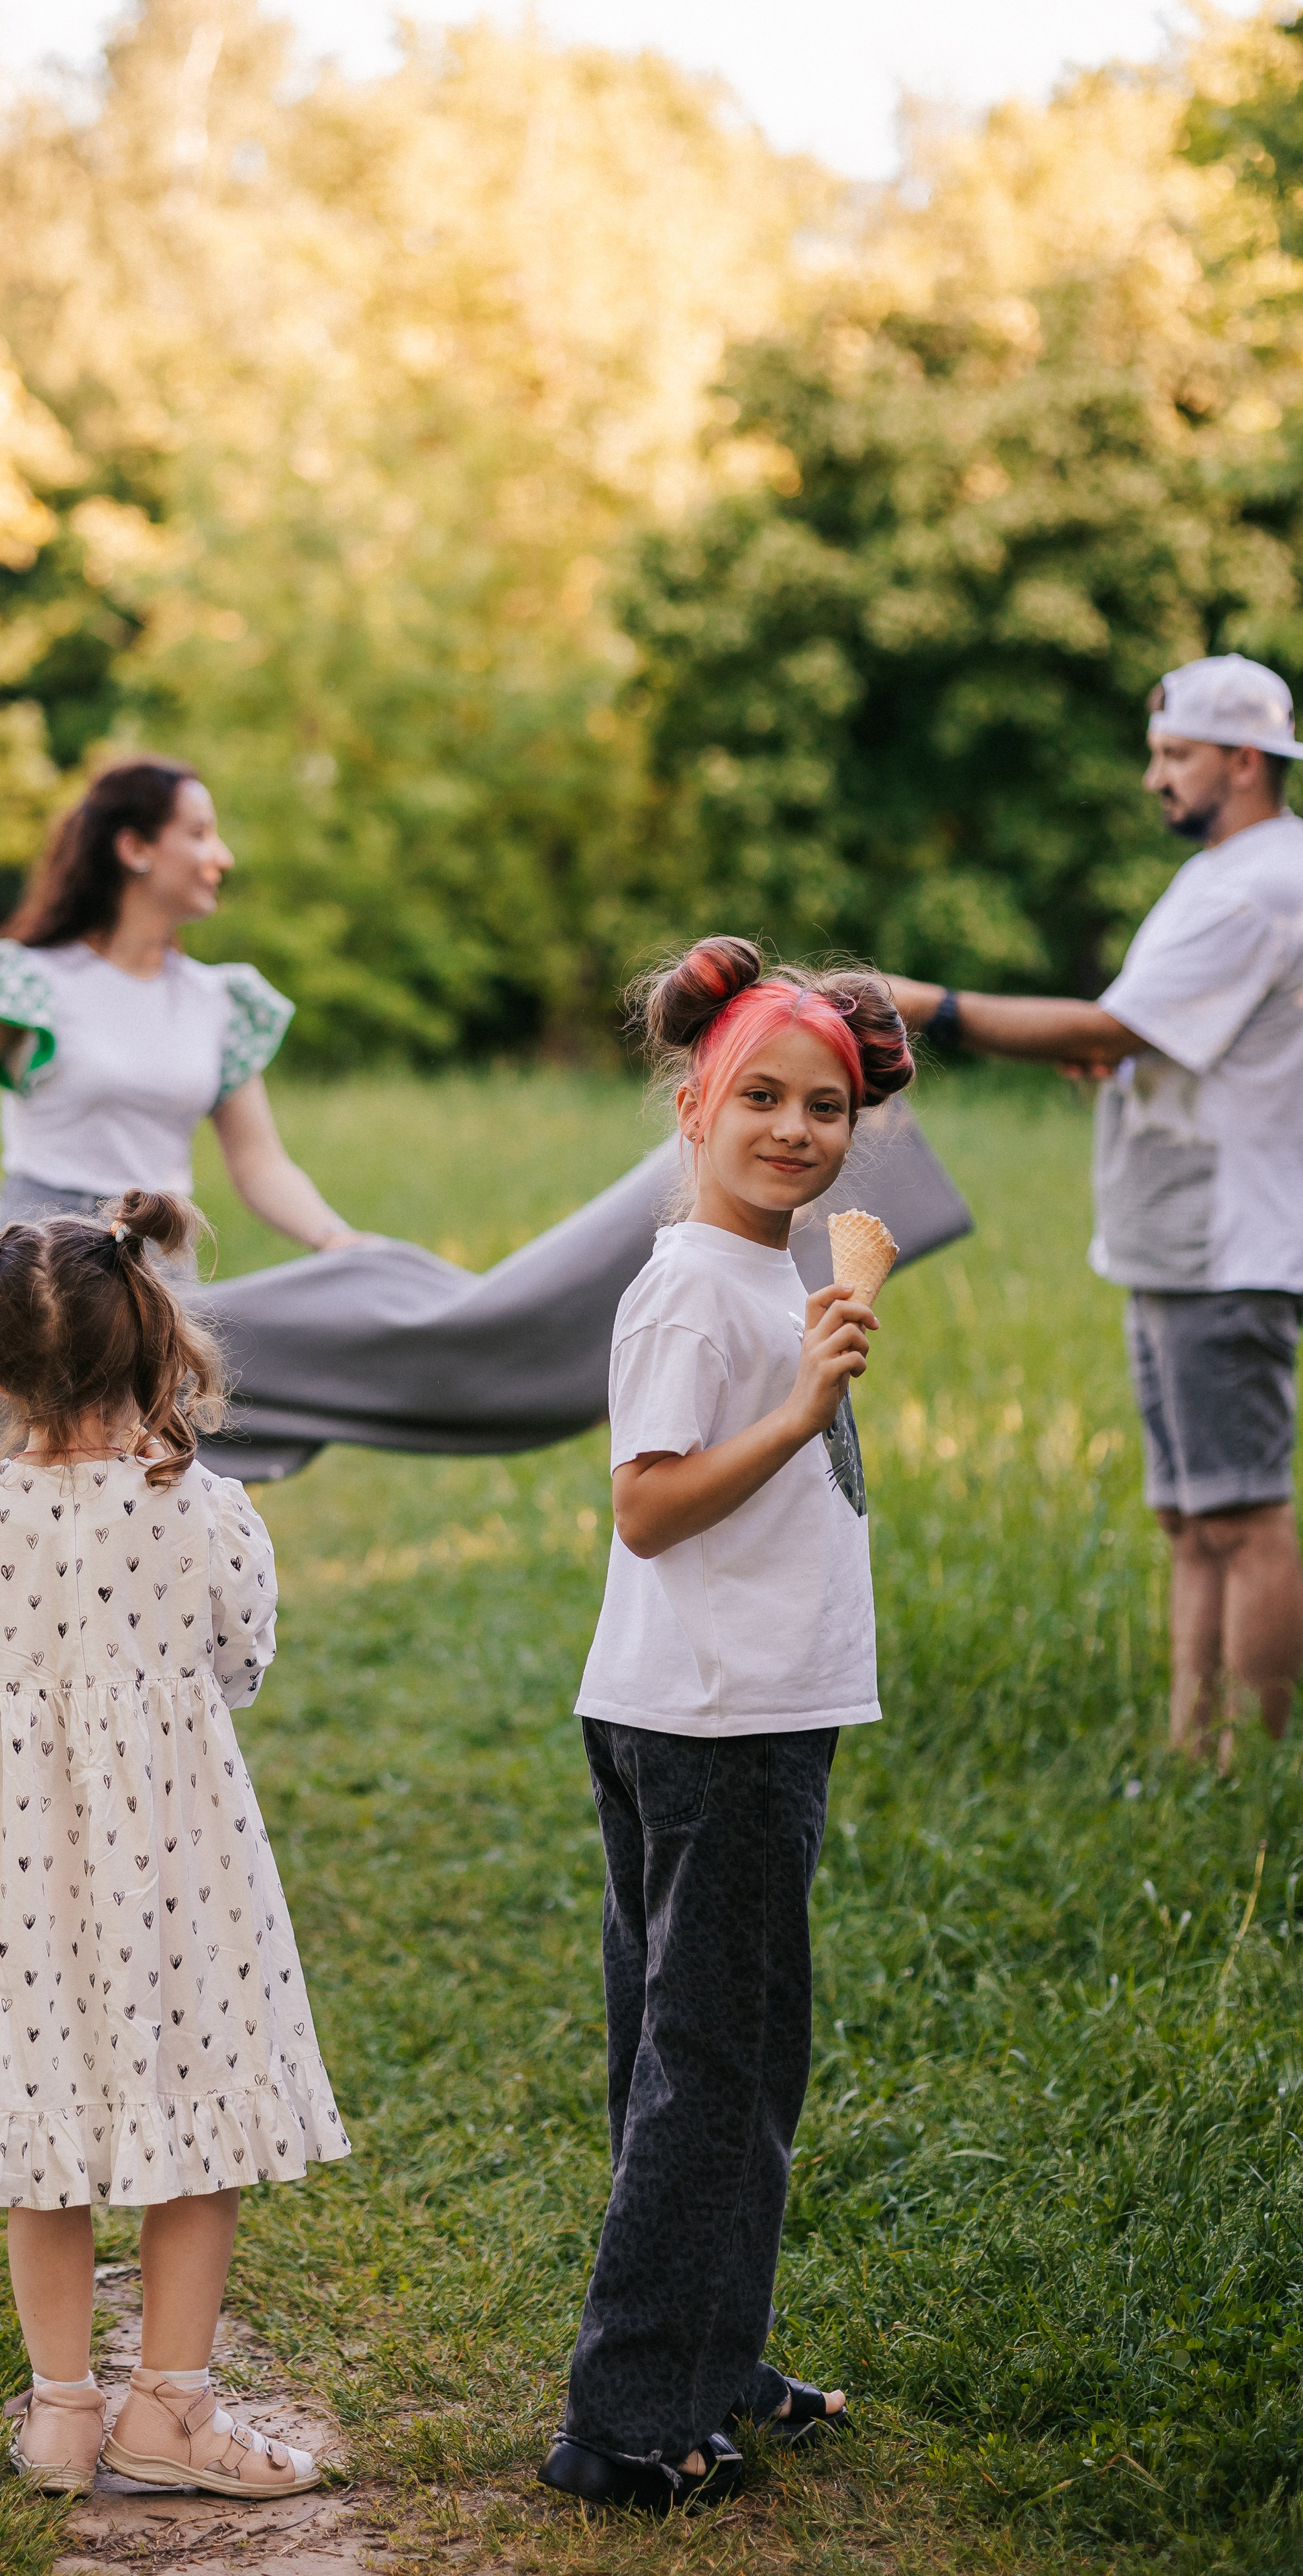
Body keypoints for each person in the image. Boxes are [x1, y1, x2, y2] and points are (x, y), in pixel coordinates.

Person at [0, 1188, 349, 2498]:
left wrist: (6, 1741)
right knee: (202, 2133)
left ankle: (66, 2416)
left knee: (40, 2135)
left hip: (11, 1880)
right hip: (189, 1873)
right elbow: (238, 1666)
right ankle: (169, 2411)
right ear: (154, 1340)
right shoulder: (209, 1515)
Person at [539, 937, 914, 2518]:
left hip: (704, 1706)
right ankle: (627, 2420)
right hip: (719, 1725)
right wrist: (797, 1394)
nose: (792, 1128)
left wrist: (811, 1334)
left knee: (697, 2056)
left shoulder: (759, 1270)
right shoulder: (693, 1286)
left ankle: (709, 2353)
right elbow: (645, 1506)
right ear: (690, 1098)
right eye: (756, 1093)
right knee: (720, 2063)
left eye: (822, 1105)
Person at [882, 652, 1303, 1774]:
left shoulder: (1265, 881)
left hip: (1227, 1243)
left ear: (1246, 762)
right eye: (1155, 755)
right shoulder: (1221, 871)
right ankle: (1192, 1751)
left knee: (1246, 1516)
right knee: (1188, 1518)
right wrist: (1113, 1054)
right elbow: (1149, 1034)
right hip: (1174, 1235)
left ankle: (1257, 1766)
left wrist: (930, 1006)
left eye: (1177, 757)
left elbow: (1112, 1027)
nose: (1156, 778)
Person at [0, 755, 358, 1322]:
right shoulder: (33, 983)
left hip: (158, 1285)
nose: (224, 856)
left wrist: (335, 1239)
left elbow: (259, 1163)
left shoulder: (217, 1002)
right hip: (39, 1284)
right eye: (198, 834)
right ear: (135, 849)